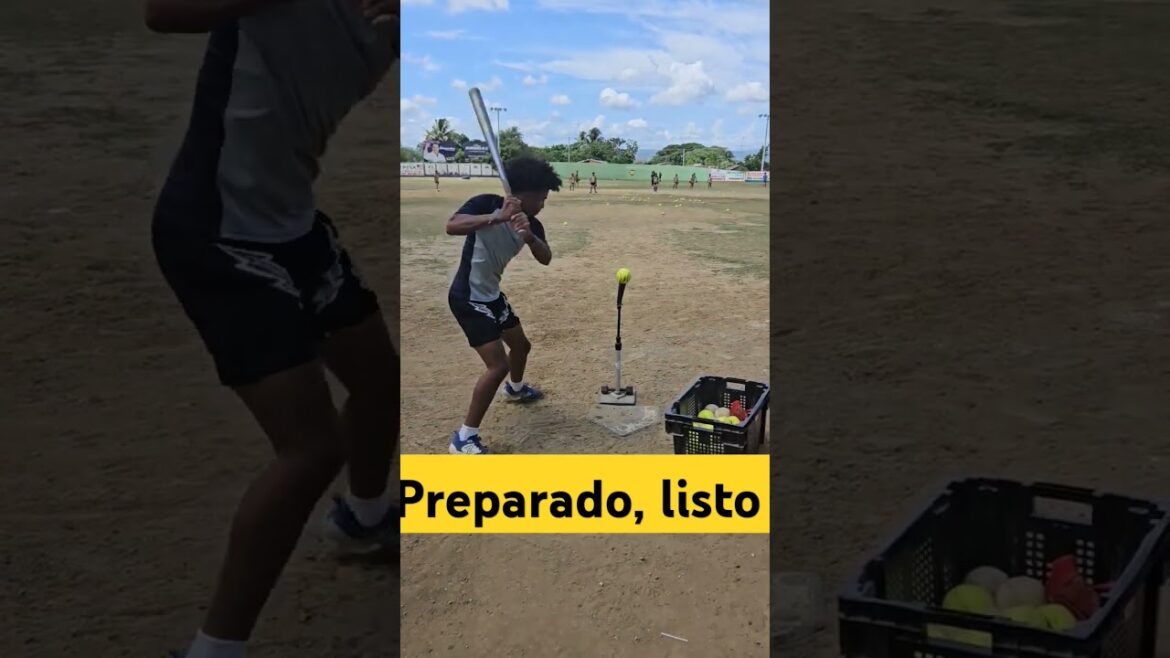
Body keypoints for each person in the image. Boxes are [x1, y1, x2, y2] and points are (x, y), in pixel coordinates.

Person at [144, 0, 400, 656]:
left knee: (379, 382)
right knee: (311, 448)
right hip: (214, 233)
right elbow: (163, 11)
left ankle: (364, 520)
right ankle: (214, 650)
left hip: (292, 226)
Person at [445, 156, 559, 454]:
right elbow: (452, 225)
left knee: (521, 346)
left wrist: (530, 237)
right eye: (542, 198)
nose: (544, 204)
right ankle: (464, 438)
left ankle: (516, 390)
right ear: (526, 194)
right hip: (467, 297)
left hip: (492, 295)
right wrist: (497, 216)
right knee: (498, 366)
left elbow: (546, 258)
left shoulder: (531, 223)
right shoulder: (486, 203)